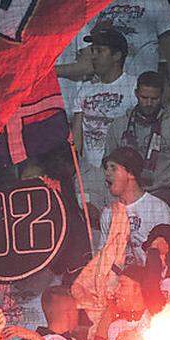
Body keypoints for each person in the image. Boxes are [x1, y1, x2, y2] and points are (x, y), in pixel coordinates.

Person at [70, 26, 138, 210]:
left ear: (116, 56)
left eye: (99, 51)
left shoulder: (133, 87)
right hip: (88, 173)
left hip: (120, 173)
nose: (93, 56)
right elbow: (77, 135)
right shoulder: (85, 89)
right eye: (93, 50)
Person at [103, 71, 170, 201]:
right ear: (136, 94)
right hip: (127, 195)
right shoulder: (119, 125)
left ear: (162, 96)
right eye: (144, 98)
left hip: (165, 194)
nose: (148, 103)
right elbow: (109, 165)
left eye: (154, 99)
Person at [98, 146, 170, 267]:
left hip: (150, 281)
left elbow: (168, 255)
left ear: (131, 174)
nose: (107, 173)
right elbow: (103, 258)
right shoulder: (108, 212)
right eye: (106, 168)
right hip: (120, 283)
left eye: (113, 168)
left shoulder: (158, 208)